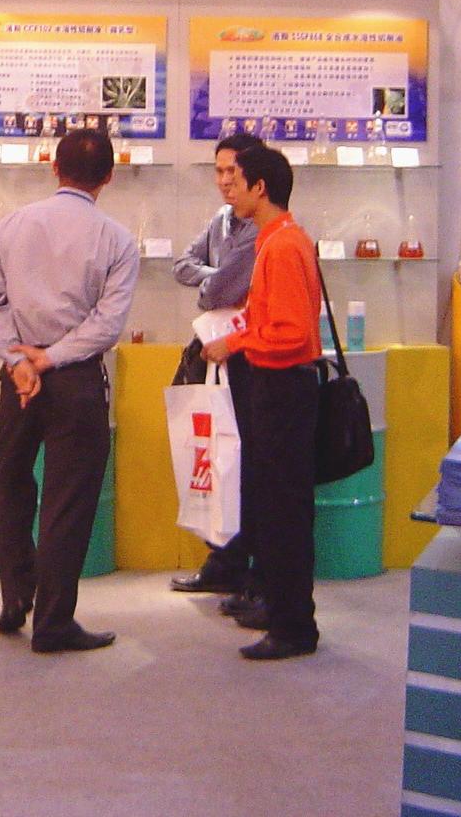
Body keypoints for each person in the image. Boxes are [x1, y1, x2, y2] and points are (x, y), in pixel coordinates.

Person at [0, 128, 139, 654]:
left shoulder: (9, 225)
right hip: (77, 380)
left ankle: (14, 594)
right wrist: (52, 358)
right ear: (109, 176)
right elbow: (107, 323)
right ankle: (52, 622)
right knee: (68, 500)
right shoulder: (117, 239)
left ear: (53, 166)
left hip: (19, 379)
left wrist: (20, 360)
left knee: (11, 483)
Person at [201, 144, 321, 661]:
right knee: (274, 509)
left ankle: (293, 626)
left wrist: (237, 341)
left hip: (283, 388)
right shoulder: (276, 240)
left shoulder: (283, 246)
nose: (228, 185)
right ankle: (280, 609)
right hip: (275, 388)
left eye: (238, 177)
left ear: (261, 187)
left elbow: (291, 333)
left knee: (283, 512)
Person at [169, 131, 262, 600]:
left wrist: (216, 283)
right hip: (213, 353)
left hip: (249, 358)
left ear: (255, 179)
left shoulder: (263, 229)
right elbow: (183, 265)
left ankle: (247, 568)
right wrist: (217, 277)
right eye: (219, 171)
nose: (225, 181)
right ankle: (223, 560)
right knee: (210, 454)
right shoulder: (221, 221)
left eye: (233, 173)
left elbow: (218, 292)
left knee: (243, 462)